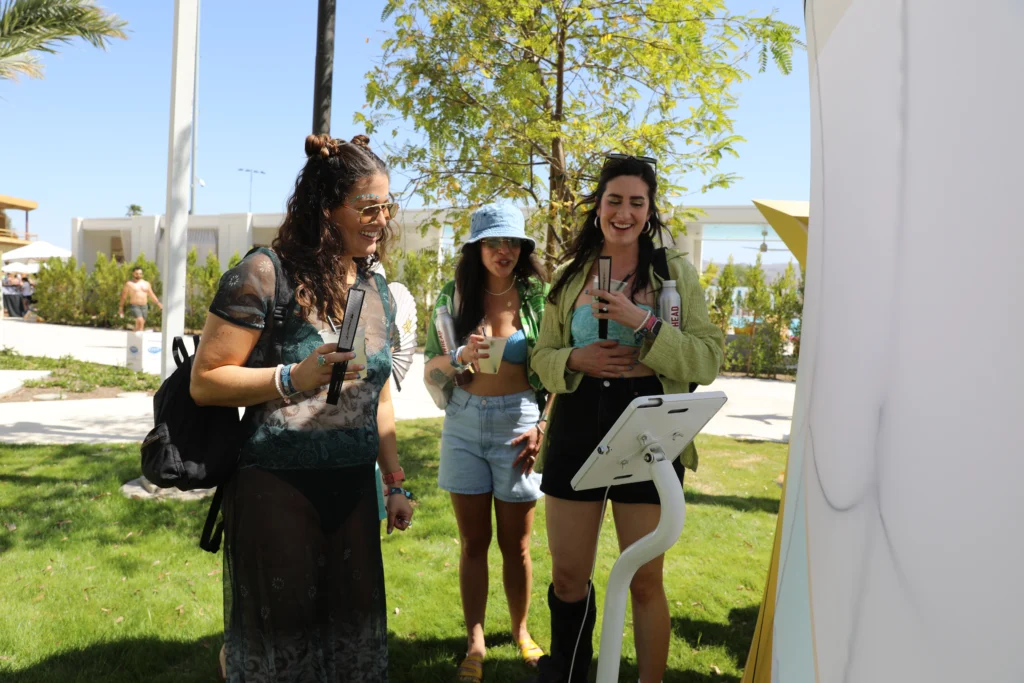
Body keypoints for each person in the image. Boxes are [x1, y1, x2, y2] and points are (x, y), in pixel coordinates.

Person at [190, 133, 414, 682]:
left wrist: (394, 481)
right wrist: (294, 377)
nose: (381, 219)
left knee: (349, 646)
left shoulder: (371, 285)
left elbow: (376, 393)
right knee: (282, 650)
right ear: (326, 208)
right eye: (368, 207)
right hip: (278, 489)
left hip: (354, 493)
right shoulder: (266, 273)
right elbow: (206, 380)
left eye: (387, 206)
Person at [529, 155, 724, 683]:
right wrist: (575, 359)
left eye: (636, 202)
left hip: (651, 430)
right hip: (577, 426)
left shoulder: (674, 274)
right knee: (570, 577)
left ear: (649, 210)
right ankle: (569, 674)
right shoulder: (570, 277)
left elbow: (706, 359)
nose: (624, 212)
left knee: (643, 577)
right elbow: (540, 357)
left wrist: (643, 322)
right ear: (598, 208)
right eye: (614, 200)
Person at [423, 203, 553, 682]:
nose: (505, 251)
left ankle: (521, 632)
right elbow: (431, 372)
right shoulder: (453, 297)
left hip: (519, 422)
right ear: (476, 248)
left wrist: (543, 425)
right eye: (495, 242)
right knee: (473, 541)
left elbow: (557, 368)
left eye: (513, 242)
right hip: (463, 423)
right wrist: (456, 356)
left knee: (516, 545)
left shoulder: (537, 296)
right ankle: (475, 642)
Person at [119, 266, 162, 331]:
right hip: (134, 306)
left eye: (140, 274)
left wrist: (159, 304)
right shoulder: (129, 284)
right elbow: (123, 296)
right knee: (140, 321)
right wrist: (121, 308)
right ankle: (139, 337)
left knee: (140, 325)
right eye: (137, 274)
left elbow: (152, 295)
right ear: (133, 274)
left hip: (144, 306)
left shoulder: (146, 284)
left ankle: (135, 338)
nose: (138, 275)